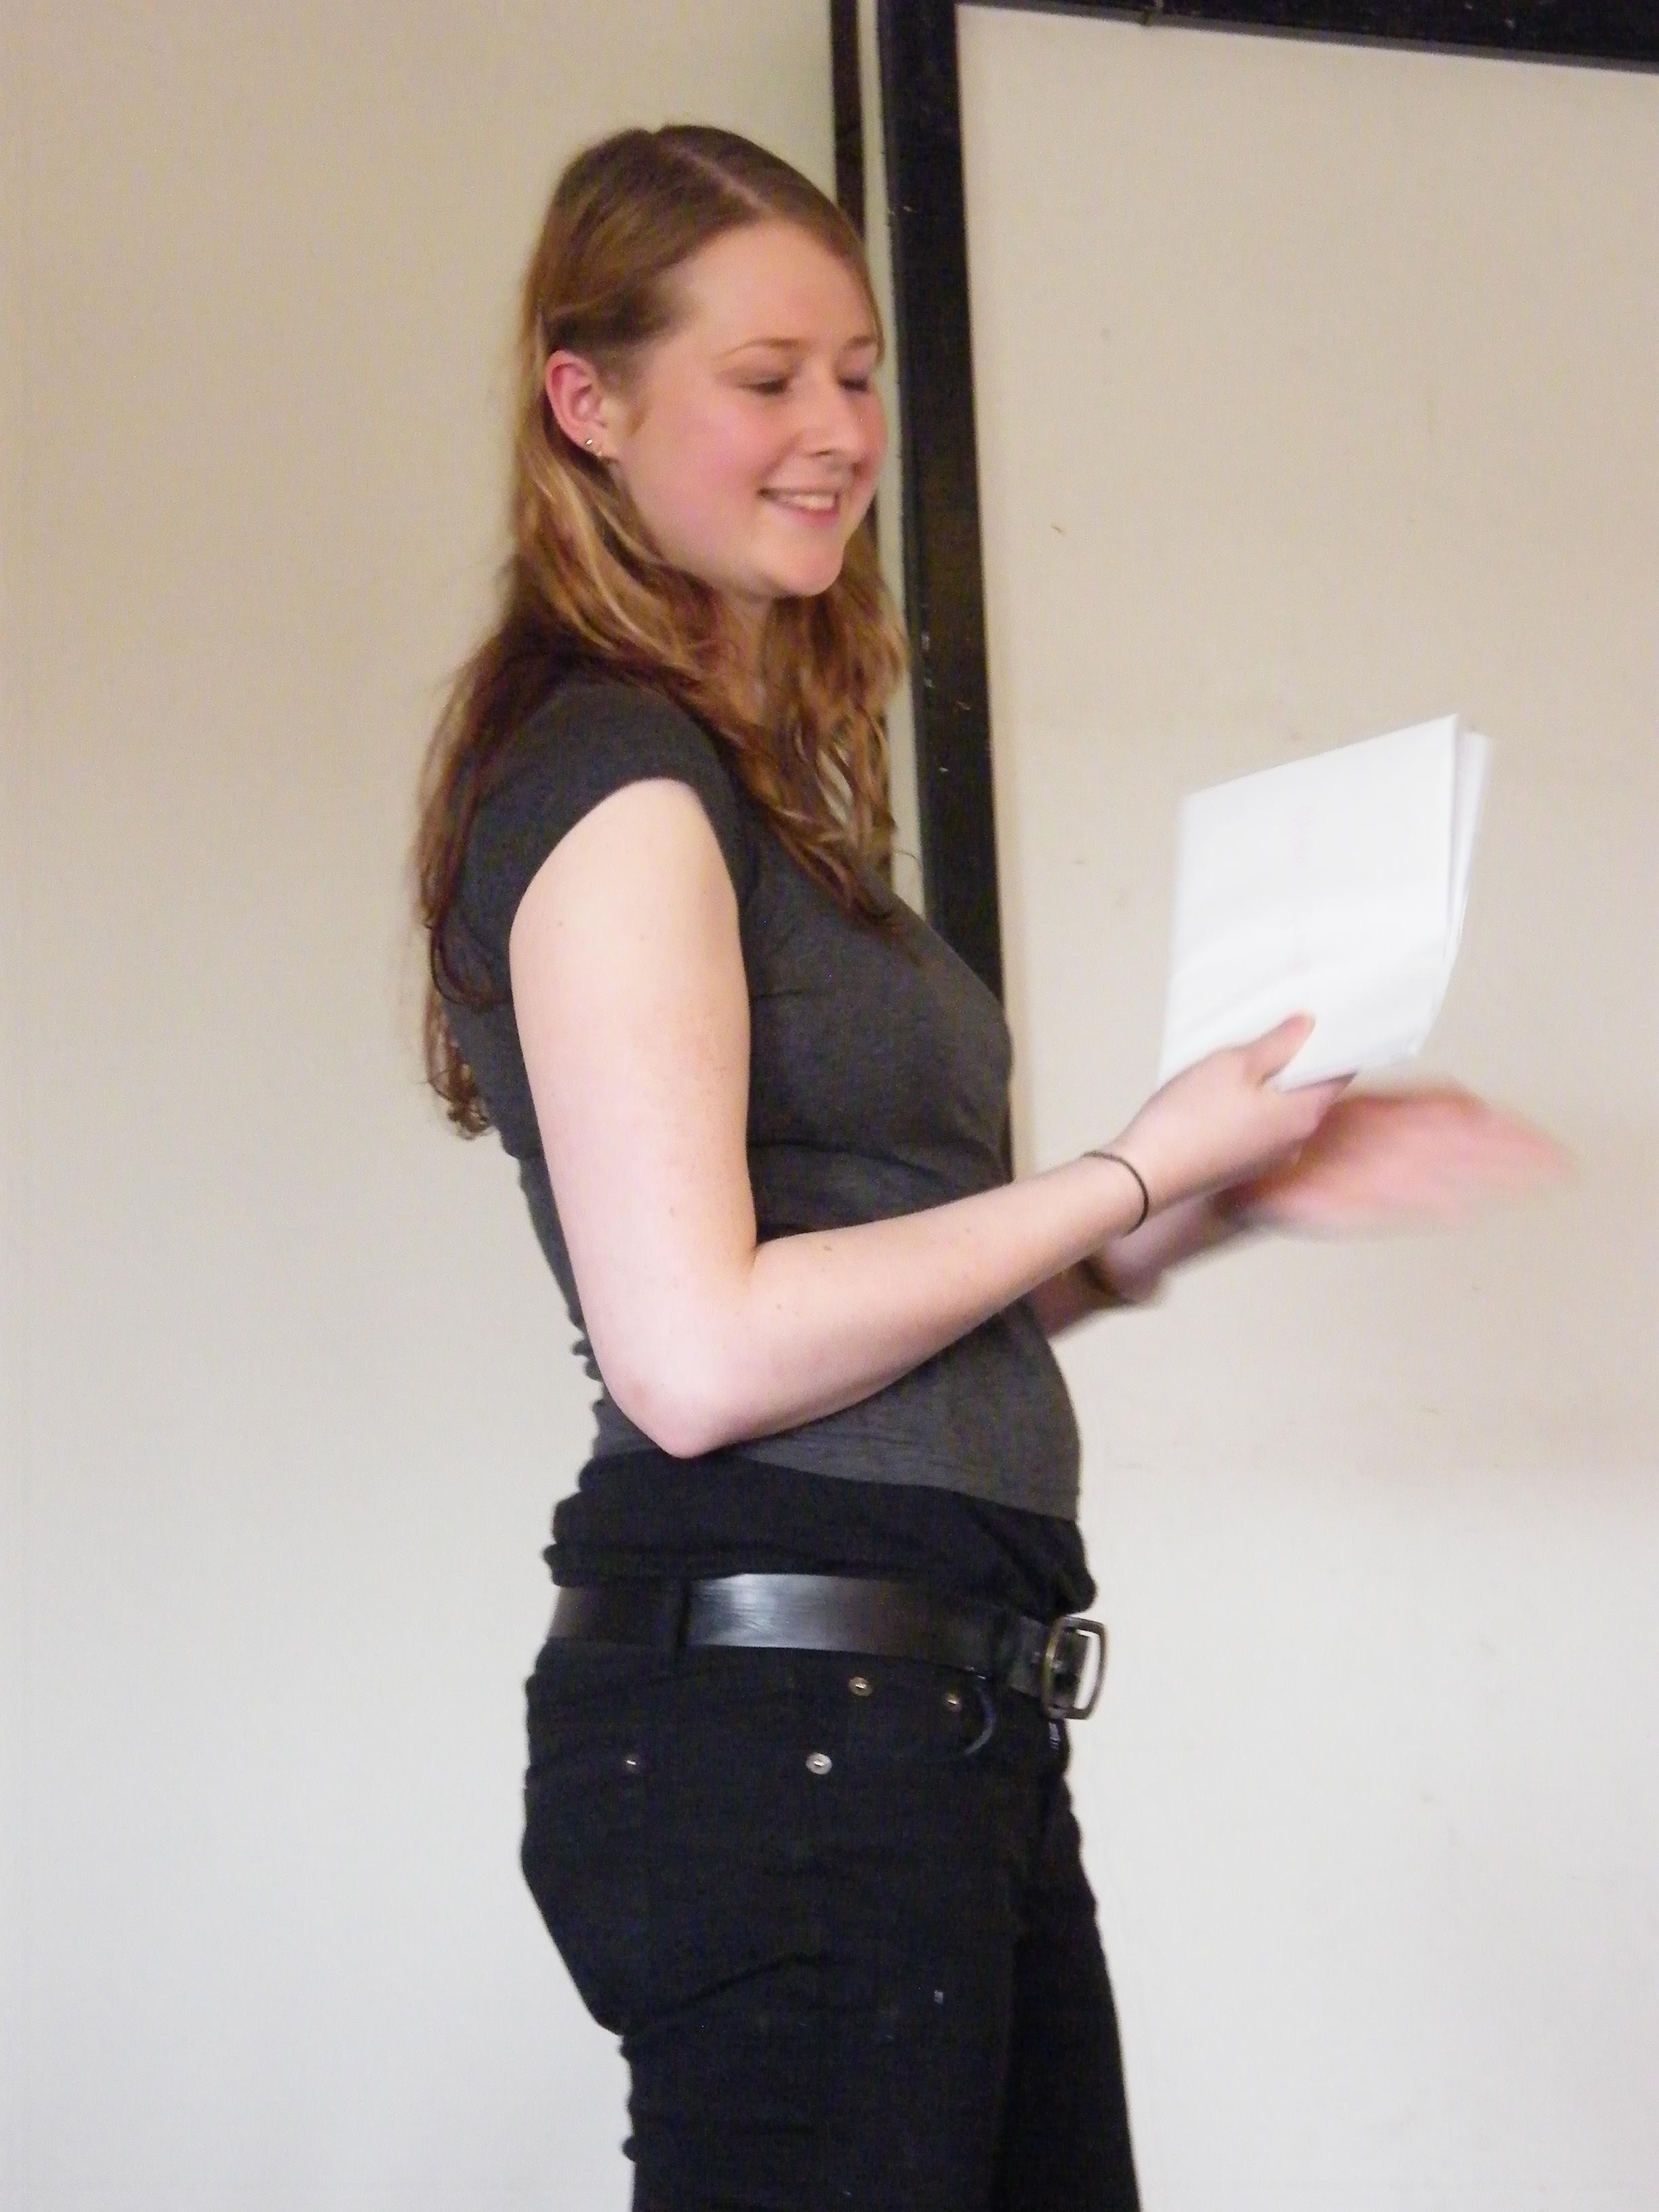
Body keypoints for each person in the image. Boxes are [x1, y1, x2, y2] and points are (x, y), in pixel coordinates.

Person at [414, 123, 1560, 2212]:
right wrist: (1130, 1169)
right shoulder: (616, 787)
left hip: (929, 1721)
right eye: (767, 379)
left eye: (859, 372)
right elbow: (697, 1355)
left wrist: (1220, 1194)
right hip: (793, 1729)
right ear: (590, 402)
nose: (839, 431)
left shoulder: (763, 799)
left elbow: (884, 1292)